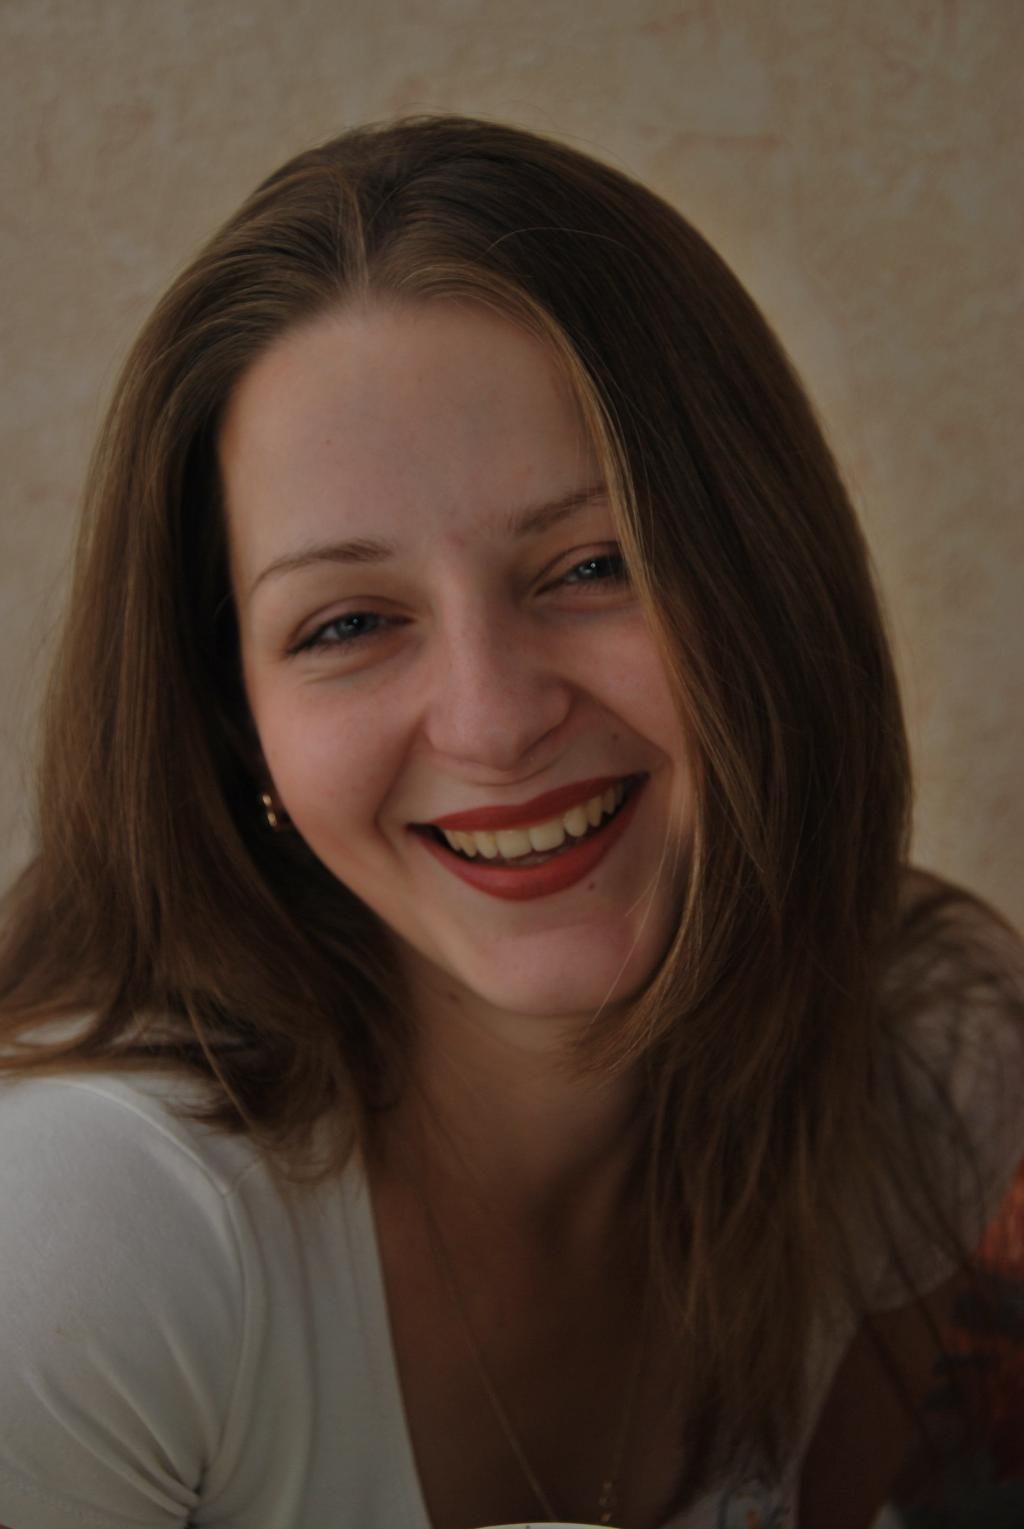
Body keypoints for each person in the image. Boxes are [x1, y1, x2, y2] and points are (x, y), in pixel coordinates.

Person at [0, 114, 1020, 1529]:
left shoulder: (921, 1049)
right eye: (348, 623)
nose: (493, 721)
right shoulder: (80, 1233)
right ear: (236, 723)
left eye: (594, 564)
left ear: (768, 579)